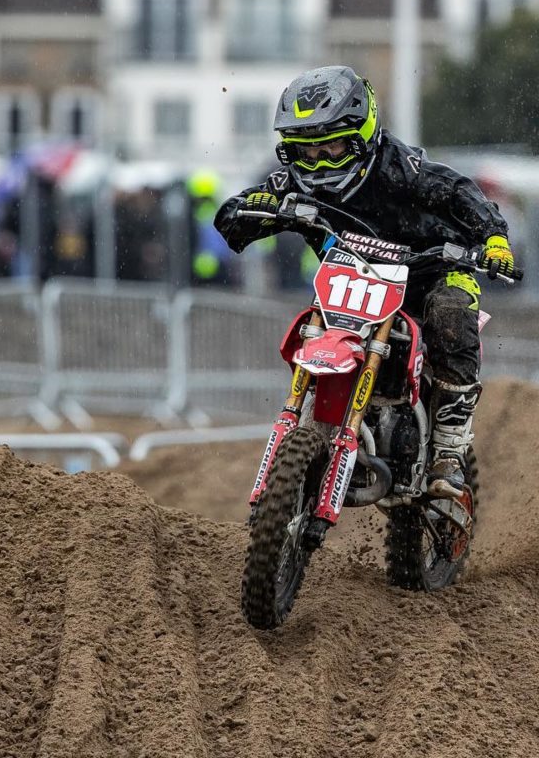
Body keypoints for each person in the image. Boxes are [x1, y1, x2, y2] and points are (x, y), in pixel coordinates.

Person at [214, 66, 514, 498]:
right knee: (315, 322)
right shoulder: (295, 180)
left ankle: (449, 449)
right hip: (355, 282)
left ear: (363, 135)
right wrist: (251, 209)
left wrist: (494, 240)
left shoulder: (402, 168)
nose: (318, 162)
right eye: (305, 152)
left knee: (451, 315)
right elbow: (231, 217)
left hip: (433, 270)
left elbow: (461, 192)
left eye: (332, 148)